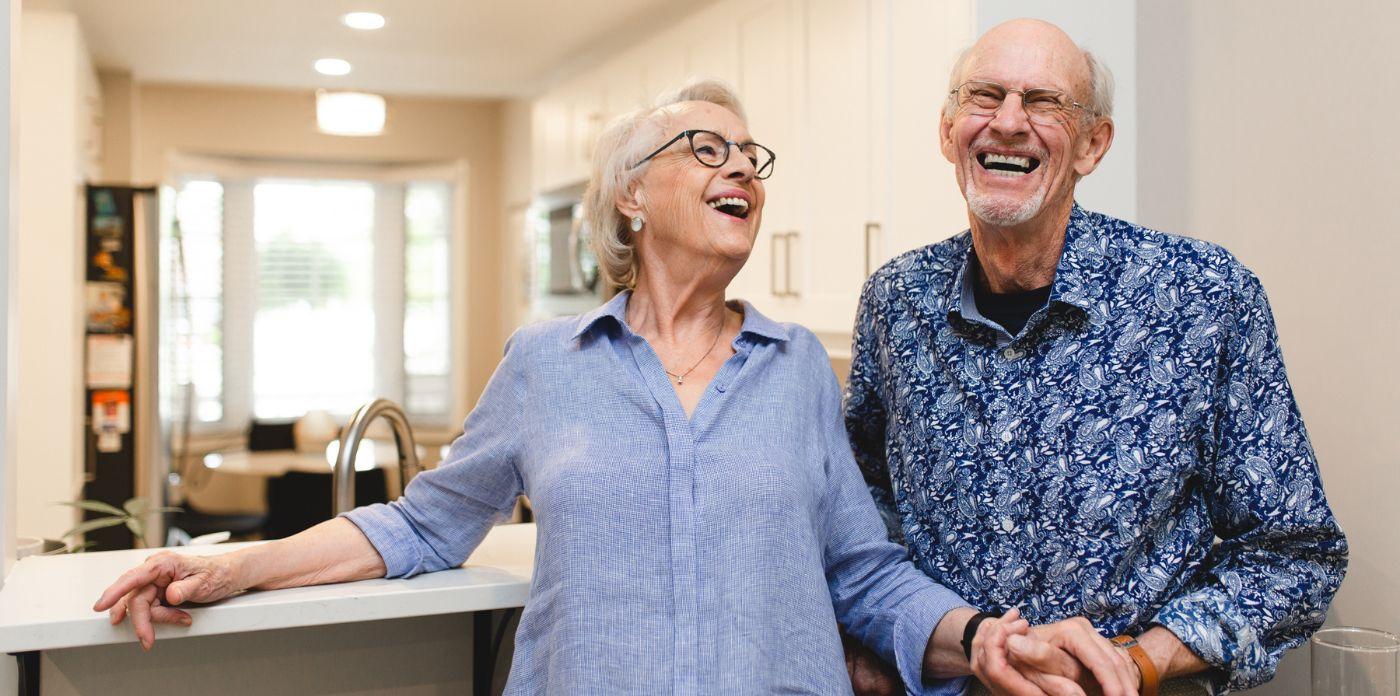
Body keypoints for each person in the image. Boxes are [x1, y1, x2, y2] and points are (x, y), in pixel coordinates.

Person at [94, 80, 1130, 696]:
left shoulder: (799, 371)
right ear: (631, 195)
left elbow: (859, 571)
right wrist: (233, 570)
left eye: (751, 156)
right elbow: (420, 527)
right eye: (707, 148)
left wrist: (980, 636)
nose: (742, 170)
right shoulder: (547, 363)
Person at [842, 18, 1348, 696]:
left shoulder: (1202, 296)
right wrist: (888, 642)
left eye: (1045, 102)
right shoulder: (895, 303)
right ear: (948, 130)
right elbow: (864, 516)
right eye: (984, 96)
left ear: (1093, 144)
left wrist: (1136, 662)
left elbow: (1294, 555)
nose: (1010, 122)